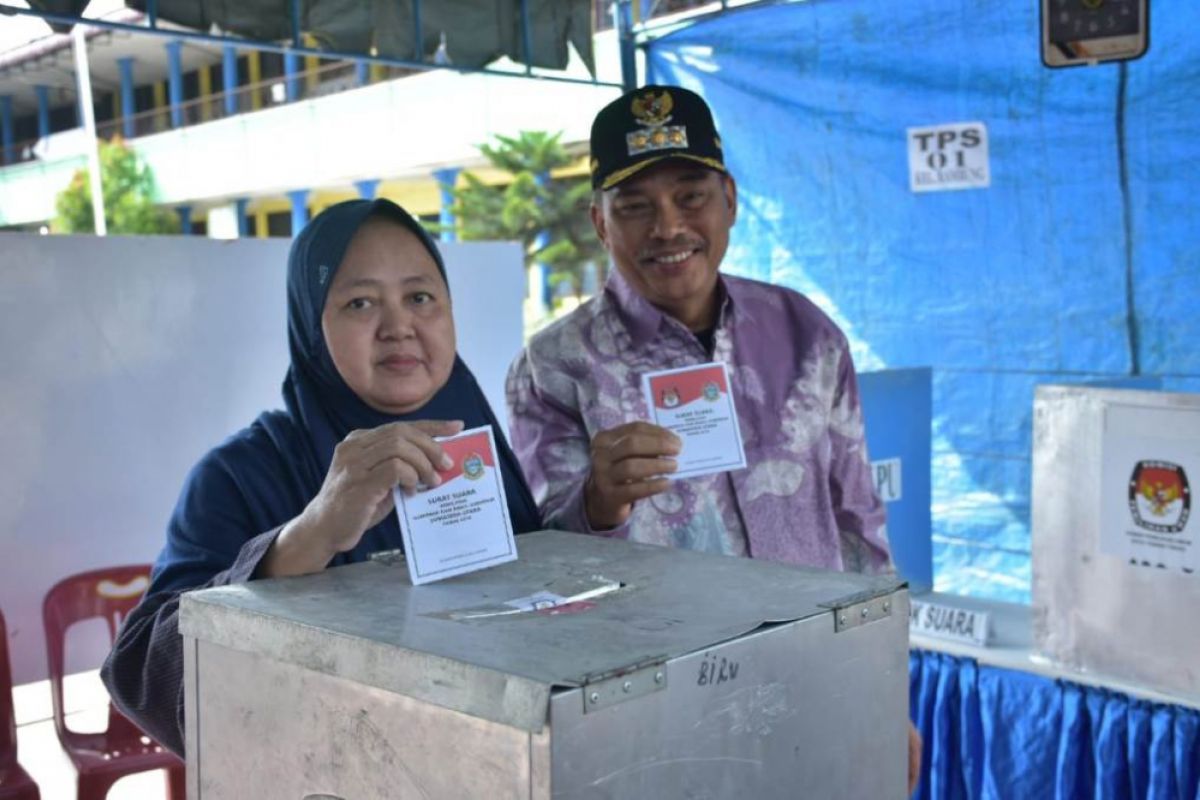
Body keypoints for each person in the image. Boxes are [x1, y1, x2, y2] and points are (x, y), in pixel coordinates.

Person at [505, 85, 921, 793]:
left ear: (728, 199)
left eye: (690, 195)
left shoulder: (806, 332)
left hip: (817, 688)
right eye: (635, 205)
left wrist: (887, 689)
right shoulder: (555, 368)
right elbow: (540, 581)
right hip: (657, 724)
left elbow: (861, 528)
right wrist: (597, 507)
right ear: (600, 223)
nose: (667, 227)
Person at [102, 199, 541, 757]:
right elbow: (142, 674)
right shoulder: (239, 475)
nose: (398, 327)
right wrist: (309, 536)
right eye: (360, 302)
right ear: (312, 325)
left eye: (420, 297)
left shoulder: (477, 451)